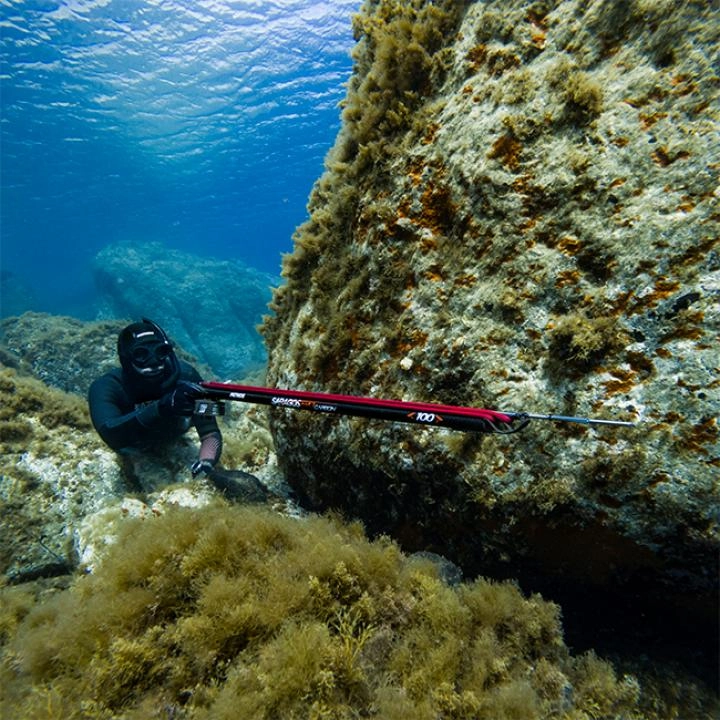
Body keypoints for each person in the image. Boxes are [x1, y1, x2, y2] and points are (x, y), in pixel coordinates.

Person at [88, 318, 222, 480]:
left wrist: (206, 462)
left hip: (175, 435)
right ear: (125, 358)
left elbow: (210, 431)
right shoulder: (106, 386)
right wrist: (162, 407)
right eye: (141, 354)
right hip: (134, 447)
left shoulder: (186, 376)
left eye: (160, 352)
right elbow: (111, 434)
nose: (153, 363)